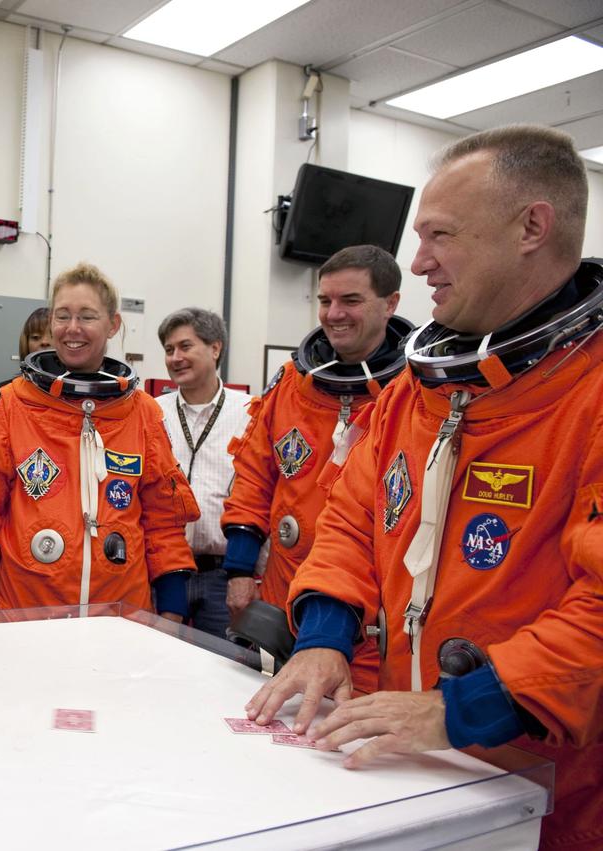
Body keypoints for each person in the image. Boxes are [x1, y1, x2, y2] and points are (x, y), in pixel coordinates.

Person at [247, 125, 603, 848]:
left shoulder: (589, 391)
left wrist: (462, 706)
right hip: (410, 762)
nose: (419, 261)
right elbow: (351, 517)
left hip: (551, 793)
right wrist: (324, 638)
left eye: (440, 235)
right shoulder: (419, 388)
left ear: (532, 226)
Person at [0, 262, 198, 617]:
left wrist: (172, 609)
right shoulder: (10, 405)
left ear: (113, 324)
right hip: (26, 615)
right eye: (62, 316)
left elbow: (163, 522)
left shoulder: (142, 413)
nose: (72, 329)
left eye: (87, 316)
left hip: (120, 618)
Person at [220, 244, 411, 690]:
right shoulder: (292, 383)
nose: (333, 313)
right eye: (325, 301)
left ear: (391, 304)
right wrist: (239, 571)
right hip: (279, 597)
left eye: (351, 300)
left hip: (370, 615)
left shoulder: (411, 394)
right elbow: (253, 476)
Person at [153, 308, 252, 639]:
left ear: (215, 348)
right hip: (162, 572)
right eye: (169, 350)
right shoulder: (151, 411)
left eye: (185, 346)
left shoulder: (250, 412)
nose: (175, 358)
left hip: (222, 576)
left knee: (223, 672)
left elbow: (259, 494)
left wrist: (250, 572)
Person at [0, 306, 53, 394]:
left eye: (52, 336)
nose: (44, 342)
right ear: (26, 343)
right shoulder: (1, 392)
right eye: (36, 337)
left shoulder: (76, 394)